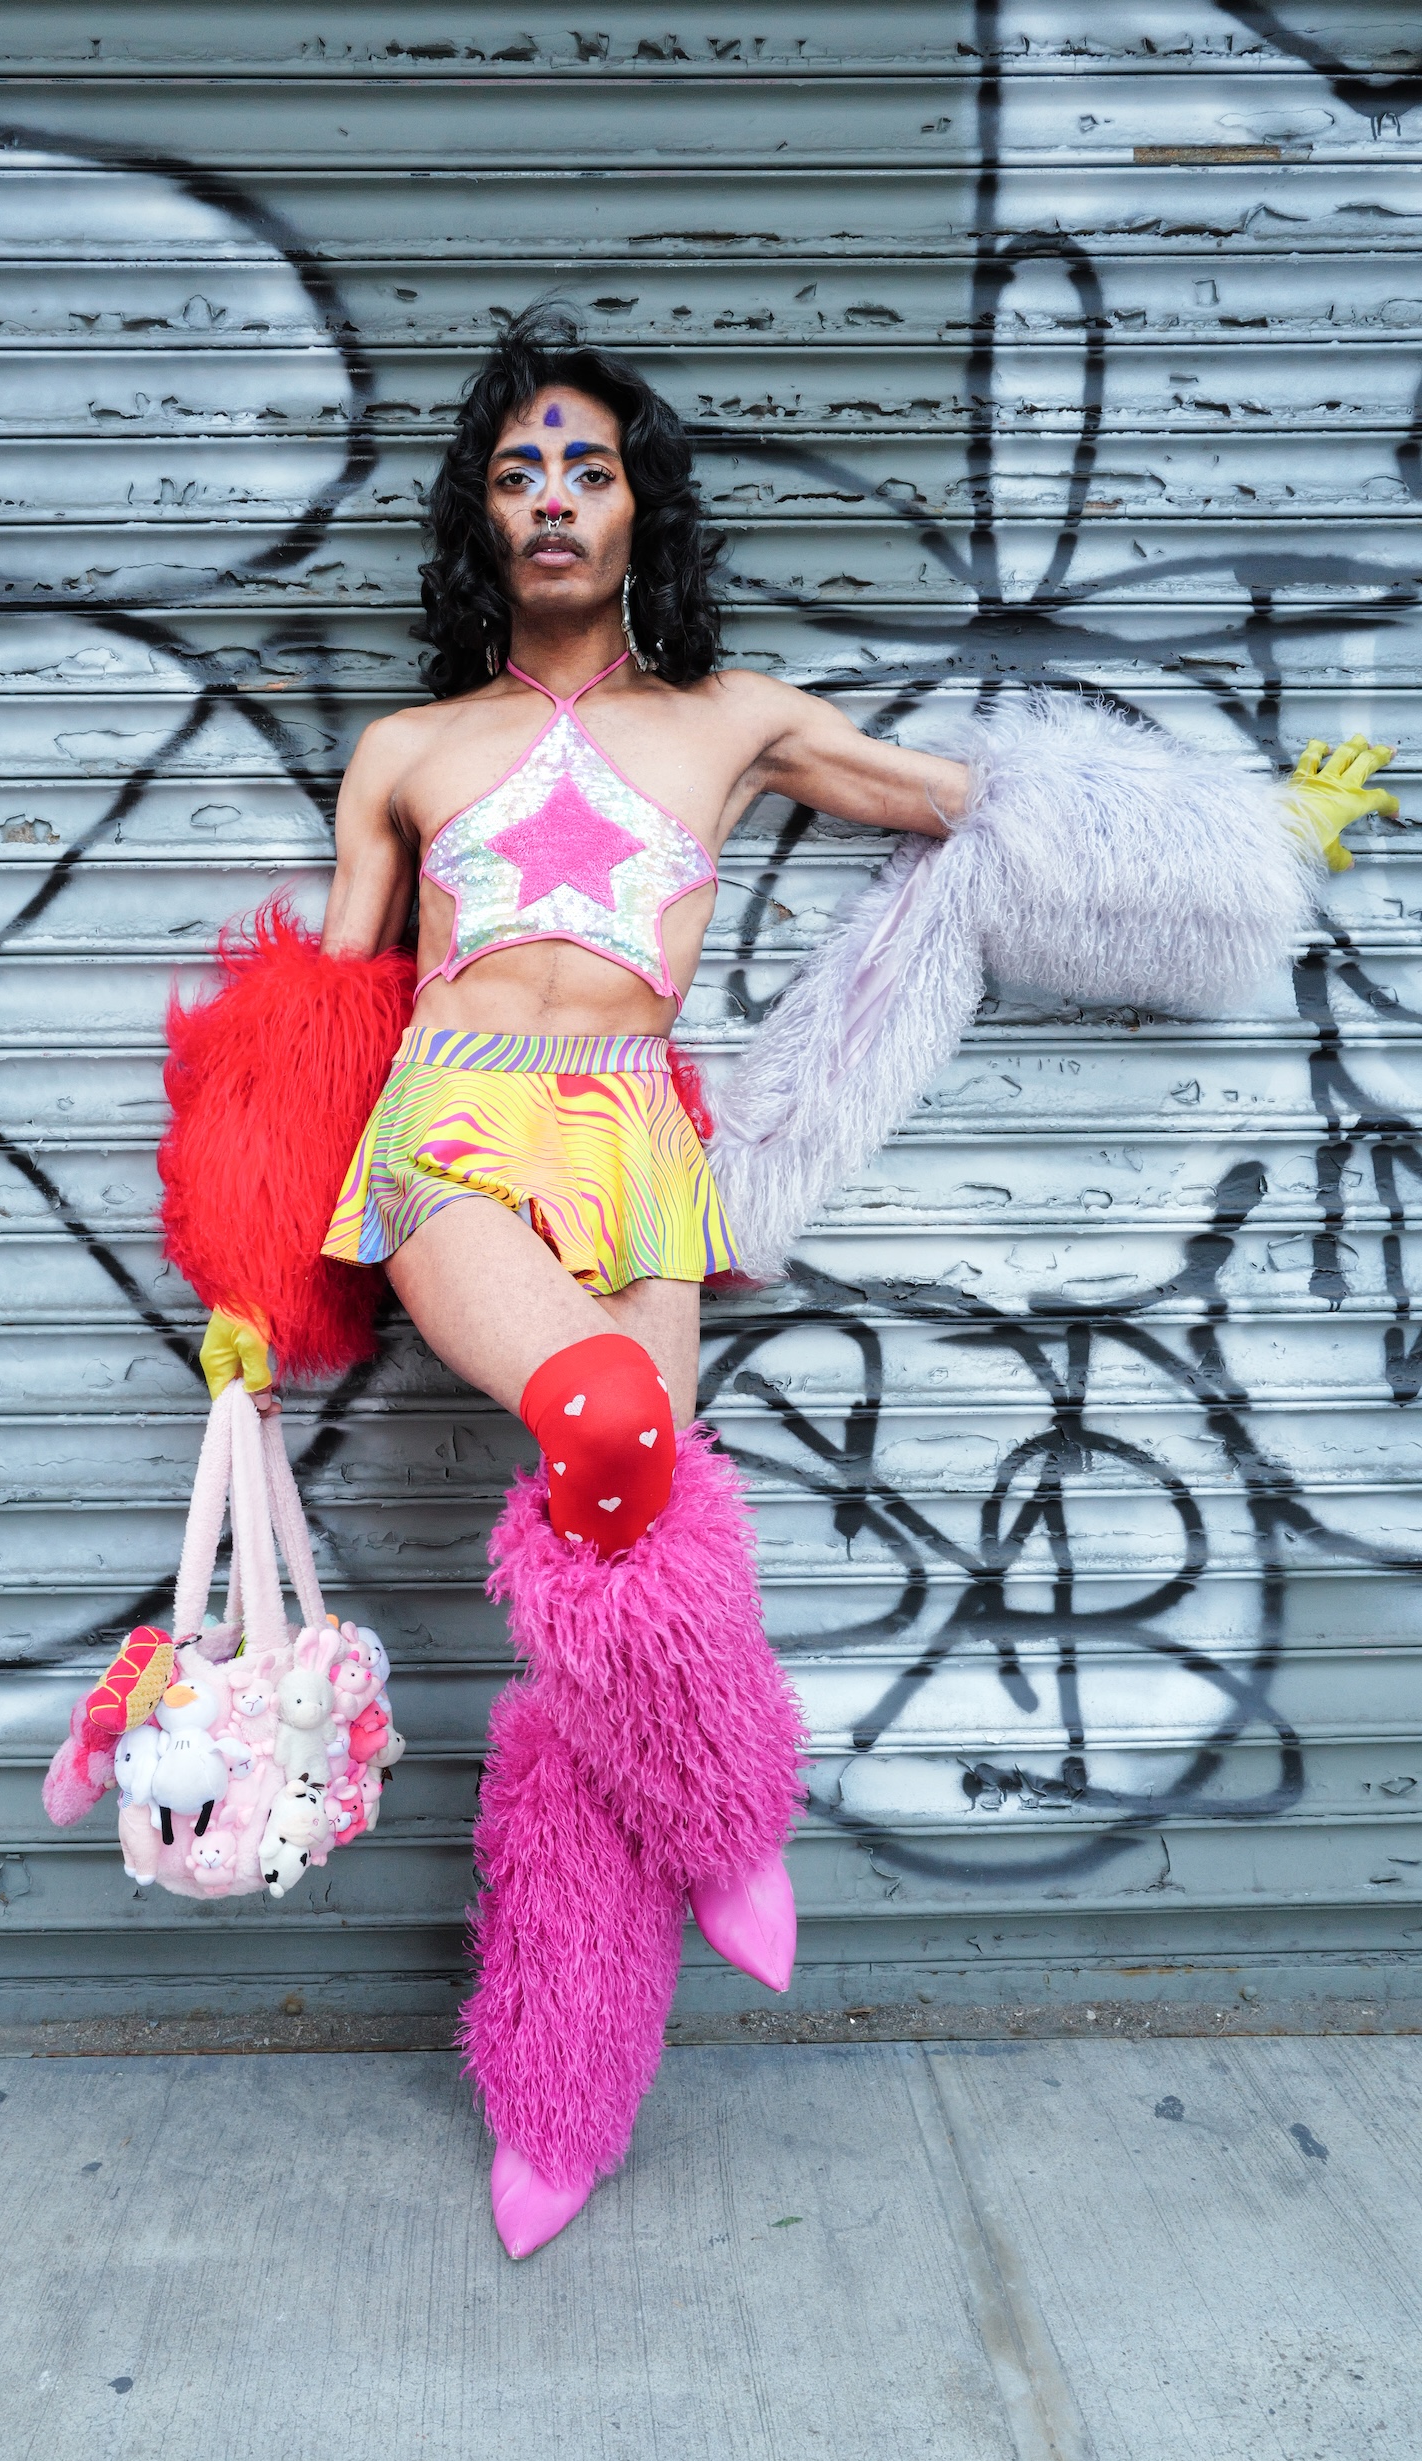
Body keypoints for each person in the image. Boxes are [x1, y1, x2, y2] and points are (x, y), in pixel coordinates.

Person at [158, 308, 1398, 2259]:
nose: (551, 498)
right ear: (478, 520)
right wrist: (250, 1269)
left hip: (644, 1161)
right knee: (609, 1427)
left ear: (636, 506)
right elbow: (319, 1023)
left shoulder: (730, 717)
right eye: (515, 471)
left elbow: (989, 817)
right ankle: (729, 1813)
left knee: (616, 1572)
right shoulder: (407, 751)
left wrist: (1256, 848)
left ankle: (558, 2097)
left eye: (585, 467)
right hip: (453, 1141)